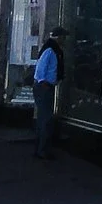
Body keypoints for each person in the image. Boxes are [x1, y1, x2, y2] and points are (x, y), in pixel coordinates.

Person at [31, 28, 66, 159]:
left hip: (44, 86)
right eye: (63, 37)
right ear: (59, 37)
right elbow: (41, 68)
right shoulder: (50, 50)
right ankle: (42, 150)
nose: (64, 40)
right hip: (44, 87)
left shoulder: (52, 49)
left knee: (43, 118)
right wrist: (44, 82)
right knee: (46, 119)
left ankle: (40, 148)